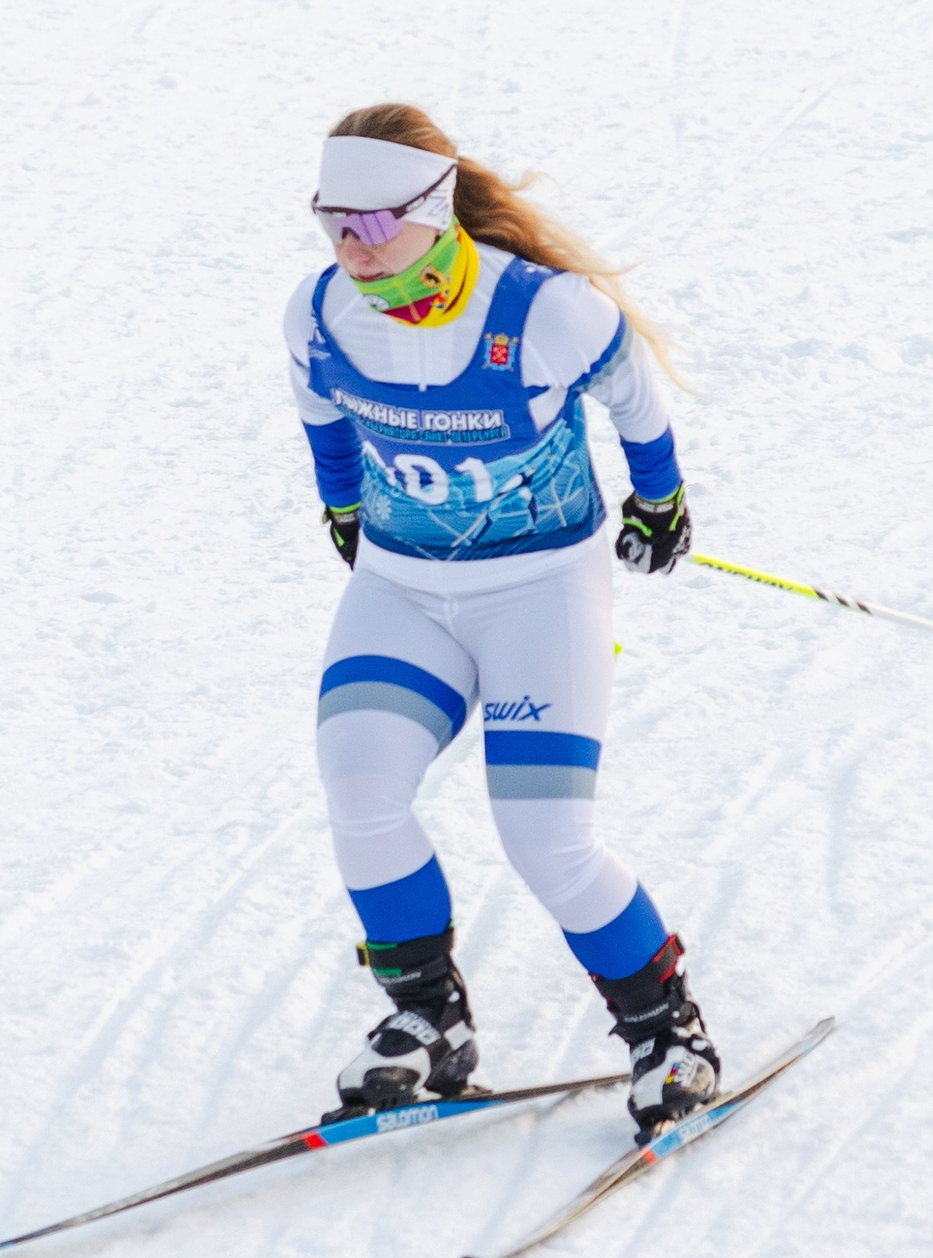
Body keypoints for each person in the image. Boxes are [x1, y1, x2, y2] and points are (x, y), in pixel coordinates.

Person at [285, 103, 720, 1143]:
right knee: (360, 790)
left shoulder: (544, 312)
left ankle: (667, 1032)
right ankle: (428, 1019)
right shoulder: (318, 314)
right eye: (333, 223)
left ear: (435, 210)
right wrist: (342, 508)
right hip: (402, 591)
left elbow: (633, 394)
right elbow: (324, 420)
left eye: (374, 224)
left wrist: (658, 498)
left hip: (540, 594)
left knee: (546, 837)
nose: (352, 249)